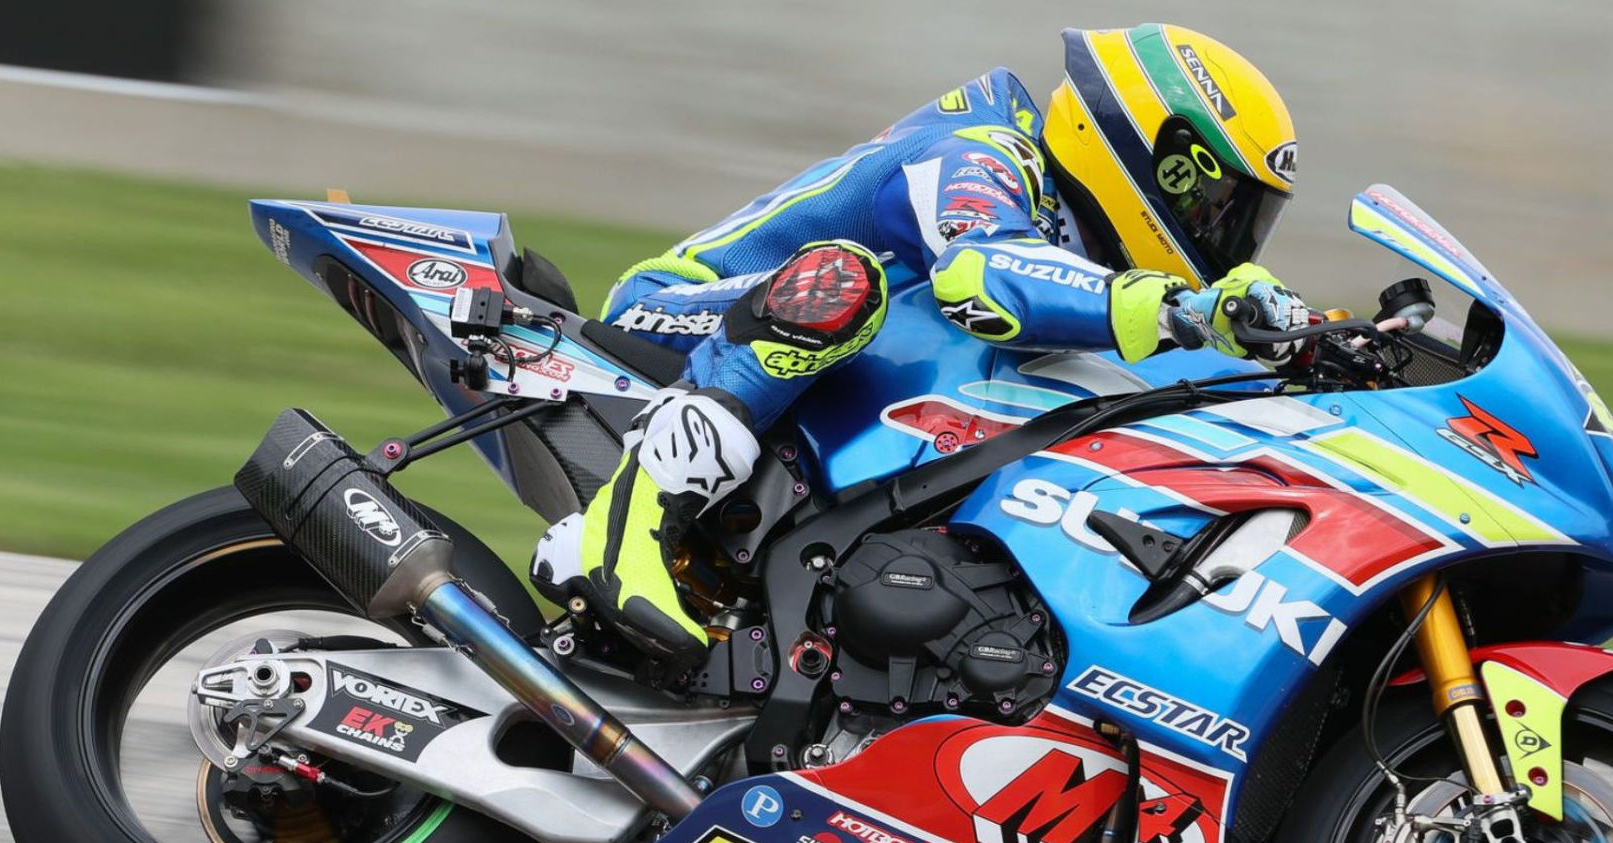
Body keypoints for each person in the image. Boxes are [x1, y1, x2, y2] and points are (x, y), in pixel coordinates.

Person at [532, 23, 1311, 667]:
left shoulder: (1072, 236)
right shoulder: (986, 152)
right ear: (1158, 158)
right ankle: (622, 528)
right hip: (679, 321)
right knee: (846, 281)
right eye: (1221, 208)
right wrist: (1180, 306)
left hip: (809, 379)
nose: (1228, 238)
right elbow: (980, 272)